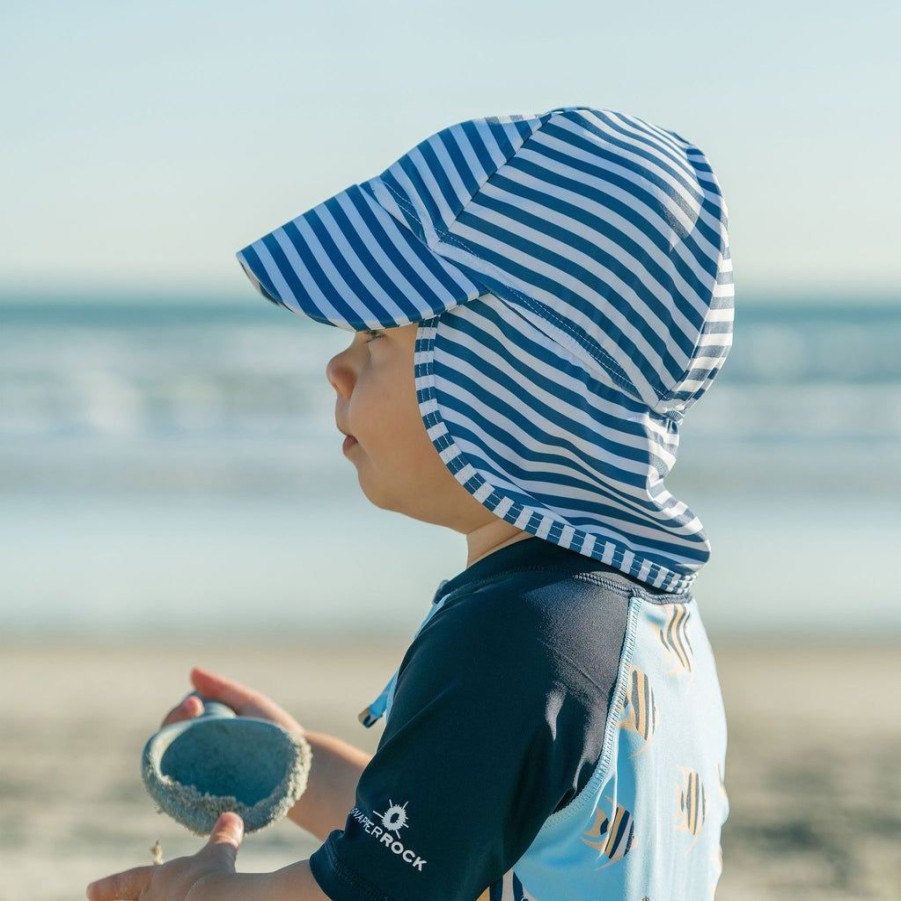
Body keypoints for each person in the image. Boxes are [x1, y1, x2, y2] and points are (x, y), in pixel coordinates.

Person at [88, 105, 733, 901]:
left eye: (376, 338)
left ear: (501, 383)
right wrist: (303, 764)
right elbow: (456, 824)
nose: (337, 365)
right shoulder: (633, 616)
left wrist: (203, 890)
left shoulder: (515, 637)